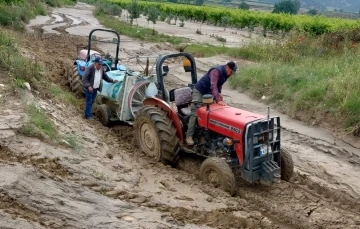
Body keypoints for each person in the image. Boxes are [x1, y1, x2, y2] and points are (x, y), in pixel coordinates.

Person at [185, 61, 237, 145]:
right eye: (231, 72)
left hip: (208, 94)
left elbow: (219, 85)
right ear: (227, 67)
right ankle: (189, 136)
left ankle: (210, 135)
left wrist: (219, 94)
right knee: (196, 112)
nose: (231, 74)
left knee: (214, 111)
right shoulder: (216, 71)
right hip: (199, 91)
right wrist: (218, 99)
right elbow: (213, 85)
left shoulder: (225, 74)